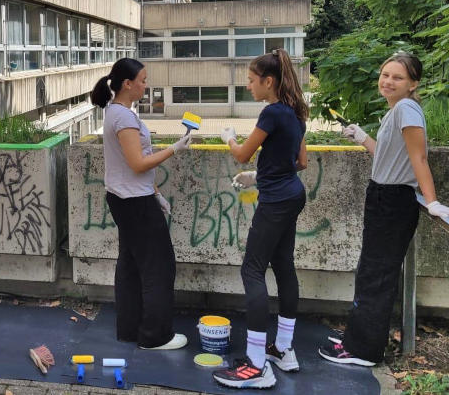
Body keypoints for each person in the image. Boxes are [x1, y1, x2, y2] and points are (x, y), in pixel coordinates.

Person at [318, 52, 449, 367]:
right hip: (384, 196)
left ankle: (363, 351)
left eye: (398, 77)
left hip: (392, 201)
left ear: (413, 84)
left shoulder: (406, 108)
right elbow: (389, 158)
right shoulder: (396, 111)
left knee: (376, 275)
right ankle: (358, 340)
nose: (388, 81)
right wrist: (363, 138)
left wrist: (431, 202)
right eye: (385, 74)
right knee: (370, 273)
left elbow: (419, 159)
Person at [212, 48, 308, 389]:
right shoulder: (296, 113)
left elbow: (241, 154)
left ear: (269, 81)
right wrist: (262, 175)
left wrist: (229, 137)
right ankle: (283, 349)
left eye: (252, 81)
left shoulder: (271, 113)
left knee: (251, 269)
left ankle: (256, 364)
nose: (249, 87)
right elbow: (301, 162)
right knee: (283, 266)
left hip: (277, 201)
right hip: (292, 194)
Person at [89, 58, 191, 350]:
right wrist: (174, 149)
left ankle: (131, 329)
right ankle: (155, 336)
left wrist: (155, 192)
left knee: (132, 265)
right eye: (143, 80)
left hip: (128, 197)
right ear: (127, 84)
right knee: (159, 266)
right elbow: (137, 163)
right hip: (133, 201)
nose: (147, 85)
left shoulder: (115, 112)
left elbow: (131, 164)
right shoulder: (123, 117)